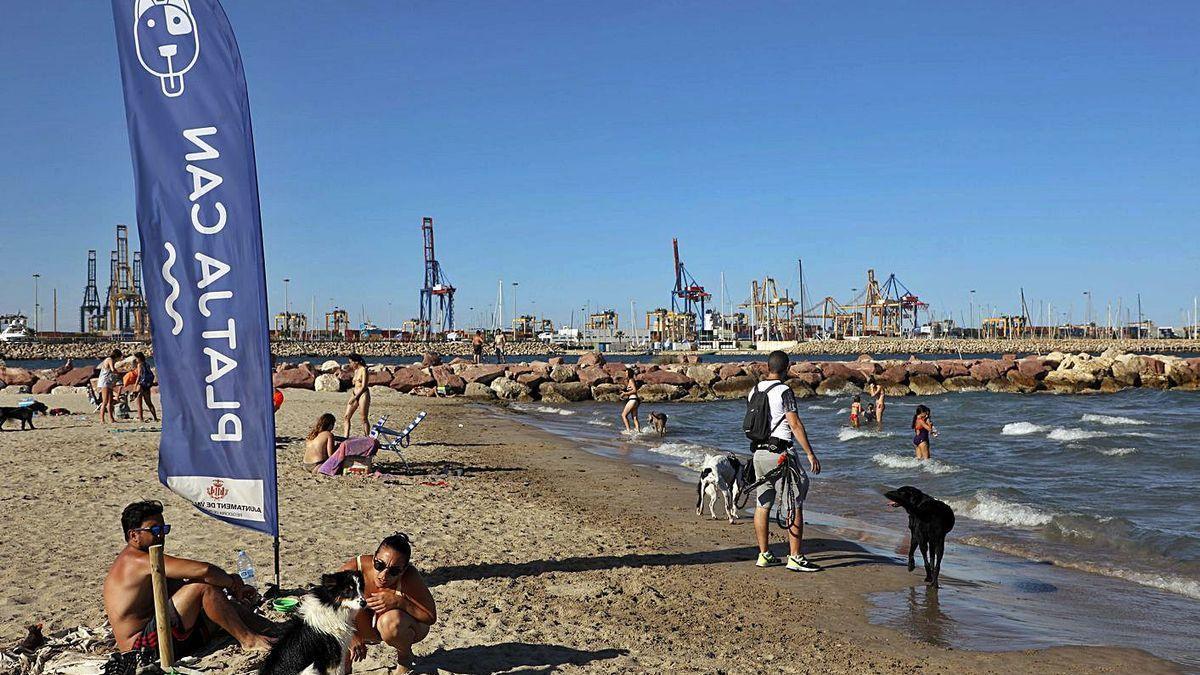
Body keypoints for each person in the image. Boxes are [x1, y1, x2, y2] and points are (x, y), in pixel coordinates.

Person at [103, 501, 274, 655]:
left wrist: (228, 587)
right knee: (203, 588)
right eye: (155, 530)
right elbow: (204, 571)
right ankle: (249, 641)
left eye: (164, 529)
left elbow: (187, 586)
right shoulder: (136, 561)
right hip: (141, 648)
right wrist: (233, 583)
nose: (161, 535)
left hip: (162, 633)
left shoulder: (149, 560)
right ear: (134, 535)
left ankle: (275, 631)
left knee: (220, 602)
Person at [747, 351, 823, 573]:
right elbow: (795, 424)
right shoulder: (784, 391)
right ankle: (795, 557)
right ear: (787, 368)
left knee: (763, 504)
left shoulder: (754, 390)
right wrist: (810, 453)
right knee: (794, 502)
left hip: (758, 455)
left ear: (767, 367)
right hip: (780, 455)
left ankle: (764, 554)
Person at [340, 533, 436, 674]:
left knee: (390, 621)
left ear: (403, 570)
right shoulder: (356, 568)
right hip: (364, 625)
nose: (384, 575)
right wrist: (351, 635)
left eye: (394, 571)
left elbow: (430, 617)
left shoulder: (410, 577)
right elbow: (329, 605)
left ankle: (404, 659)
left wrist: (399, 602)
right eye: (380, 565)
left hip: (401, 626)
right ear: (374, 558)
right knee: (343, 613)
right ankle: (345, 665)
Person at [343, 354, 371, 437]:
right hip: (354, 393)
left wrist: (356, 397)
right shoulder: (356, 371)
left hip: (363, 394)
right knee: (346, 416)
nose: (350, 364)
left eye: (351, 362)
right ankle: (345, 437)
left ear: (356, 362)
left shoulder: (364, 370)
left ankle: (367, 437)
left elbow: (364, 386)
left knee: (363, 418)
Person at [133, 352, 158, 423]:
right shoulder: (147, 364)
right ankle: (155, 418)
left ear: (139, 358)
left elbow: (139, 376)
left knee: (139, 403)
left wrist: (135, 385)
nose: (136, 360)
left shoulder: (139, 365)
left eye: (136, 358)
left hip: (141, 385)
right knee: (149, 403)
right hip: (147, 385)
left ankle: (141, 419)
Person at [98, 349, 122, 424]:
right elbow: (112, 369)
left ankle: (111, 418)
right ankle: (102, 419)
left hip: (109, 382)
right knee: (105, 401)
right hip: (104, 382)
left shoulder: (112, 360)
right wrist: (119, 373)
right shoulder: (109, 359)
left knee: (110, 401)